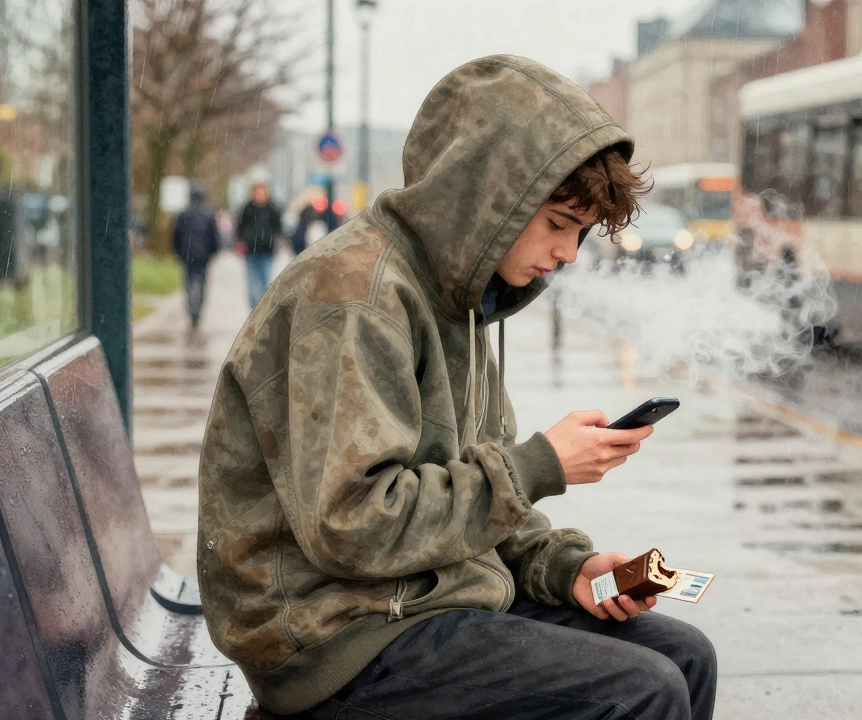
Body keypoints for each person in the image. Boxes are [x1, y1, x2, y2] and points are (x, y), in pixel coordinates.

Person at [197, 56, 717, 720]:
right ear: (486, 200)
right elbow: (353, 526)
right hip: (332, 632)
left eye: (581, 233)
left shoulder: (465, 303)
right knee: (643, 688)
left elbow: (477, 496)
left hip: (423, 596)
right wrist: (538, 466)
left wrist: (565, 570)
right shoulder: (352, 297)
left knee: (686, 656)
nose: (568, 254)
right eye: (558, 223)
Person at [171, 187, 221, 328]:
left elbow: (176, 235)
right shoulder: (208, 214)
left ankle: (192, 308)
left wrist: (178, 251)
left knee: (188, 283)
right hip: (203, 256)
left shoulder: (183, 213)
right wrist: (213, 252)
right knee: (201, 283)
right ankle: (197, 308)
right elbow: (214, 236)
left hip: (187, 255)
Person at [236, 181, 283, 309]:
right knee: (252, 283)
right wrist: (244, 240)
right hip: (251, 251)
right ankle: (256, 307)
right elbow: (239, 227)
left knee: (265, 281)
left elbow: (279, 228)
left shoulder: (273, 208)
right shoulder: (247, 209)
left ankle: (262, 308)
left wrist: (273, 240)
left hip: (267, 250)